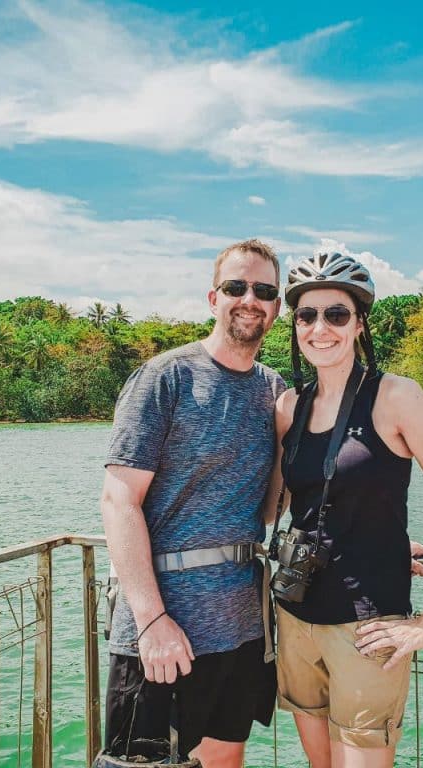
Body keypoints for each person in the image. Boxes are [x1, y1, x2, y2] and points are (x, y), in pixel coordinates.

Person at [268, 251, 423, 768]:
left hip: (367, 629)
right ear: (295, 325)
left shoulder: (396, 398)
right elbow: (285, 505)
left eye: (336, 314)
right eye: (307, 315)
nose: (320, 327)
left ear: (360, 323)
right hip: (296, 617)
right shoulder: (288, 407)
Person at [100, 239, 285, 768]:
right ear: (213, 297)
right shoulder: (165, 377)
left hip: (245, 627)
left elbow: (271, 509)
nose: (250, 299)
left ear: (276, 307)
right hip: (162, 633)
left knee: (227, 759)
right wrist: (152, 619)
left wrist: (373, 540)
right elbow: (119, 500)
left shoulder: (275, 391)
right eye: (236, 287)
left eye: (265, 291)